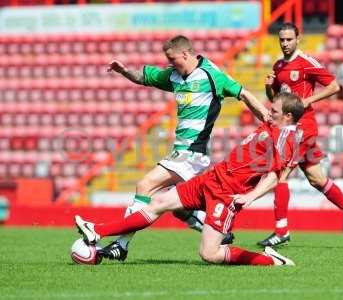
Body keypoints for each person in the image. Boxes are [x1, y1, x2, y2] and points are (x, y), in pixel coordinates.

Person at [75, 92, 304, 266]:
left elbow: (277, 175)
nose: (268, 113)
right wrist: (244, 91)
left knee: (209, 254)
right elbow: (260, 108)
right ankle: (97, 230)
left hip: (226, 195)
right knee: (158, 203)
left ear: (288, 116)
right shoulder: (273, 124)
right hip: (212, 178)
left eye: (274, 111)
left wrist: (250, 196)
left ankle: (270, 260)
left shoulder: (287, 138)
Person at [101, 35, 269, 261]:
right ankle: (221, 232)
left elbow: (244, 94)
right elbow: (143, 77)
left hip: (192, 154)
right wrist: (124, 71)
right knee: (180, 209)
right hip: (181, 152)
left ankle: (120, 245)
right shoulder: (174, 75)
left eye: (173, 59)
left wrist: (267, 119)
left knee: (146, 185)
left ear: (185, 54)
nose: (170, 63)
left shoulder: (212, 76)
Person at [258, 23, 343, 248]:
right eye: (282, 40)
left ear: (298, 39)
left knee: (281, 174)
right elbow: (276, 100)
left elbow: (334, 86)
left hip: (303, 127)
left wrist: (308, 100)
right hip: (289, 128)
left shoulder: (307, 62)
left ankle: (281, 230)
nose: (285, 44)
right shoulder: (278, 66)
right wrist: (270, 87)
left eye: (289, 39)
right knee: (317, 179)